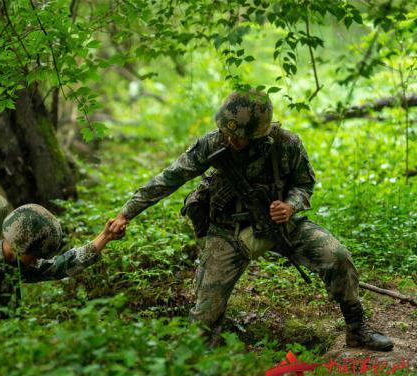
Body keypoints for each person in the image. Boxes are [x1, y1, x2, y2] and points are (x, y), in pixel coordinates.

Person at [108, 90, 393, 351]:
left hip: (278, 224)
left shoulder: (286, 144)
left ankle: (357, 329)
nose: (232, 140)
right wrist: (125, 214)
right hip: (227, 232)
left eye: (240, 136)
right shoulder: (213, 142)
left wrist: (290, 206)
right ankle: (201, 367)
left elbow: (304, 185)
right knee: (203, 319)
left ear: (259, 133)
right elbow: (169, 178)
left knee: (337, 255)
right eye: (228, 132)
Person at [0, 204, 124, 326]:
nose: (37, 261)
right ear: (20, 247)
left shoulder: (18, 264)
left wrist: (105, 236)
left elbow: (62, 265)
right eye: (35, 256)